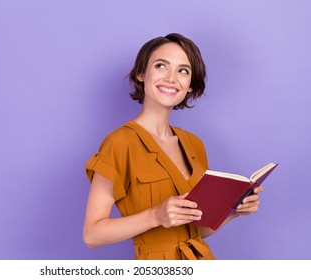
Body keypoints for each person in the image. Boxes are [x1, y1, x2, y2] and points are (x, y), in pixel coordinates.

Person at [83, 33, 263, 260]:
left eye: (183, 71)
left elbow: (199, 229)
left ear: (190, 86)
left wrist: (234, 209)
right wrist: (155, 216)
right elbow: (92, 235)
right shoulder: (120, 143)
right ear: (141, 74)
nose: (171, 78)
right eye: (161, 66)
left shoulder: (194, 144)